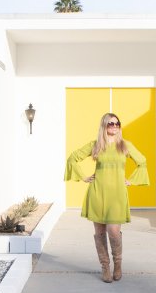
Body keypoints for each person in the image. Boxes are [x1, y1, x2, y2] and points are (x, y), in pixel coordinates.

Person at [64, 112, 150, 283]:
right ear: (104, 125)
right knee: (100, 232)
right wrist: (83, 176)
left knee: (113, 231)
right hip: (98, 192)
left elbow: (142, 161)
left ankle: (118, 264)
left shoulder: (125, 145)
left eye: (117, 123)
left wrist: (131, 180)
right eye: (111, 123)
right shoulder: (95, 145)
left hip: (117, 194)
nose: (115, 126)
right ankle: (105, 267)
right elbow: (73, 158)